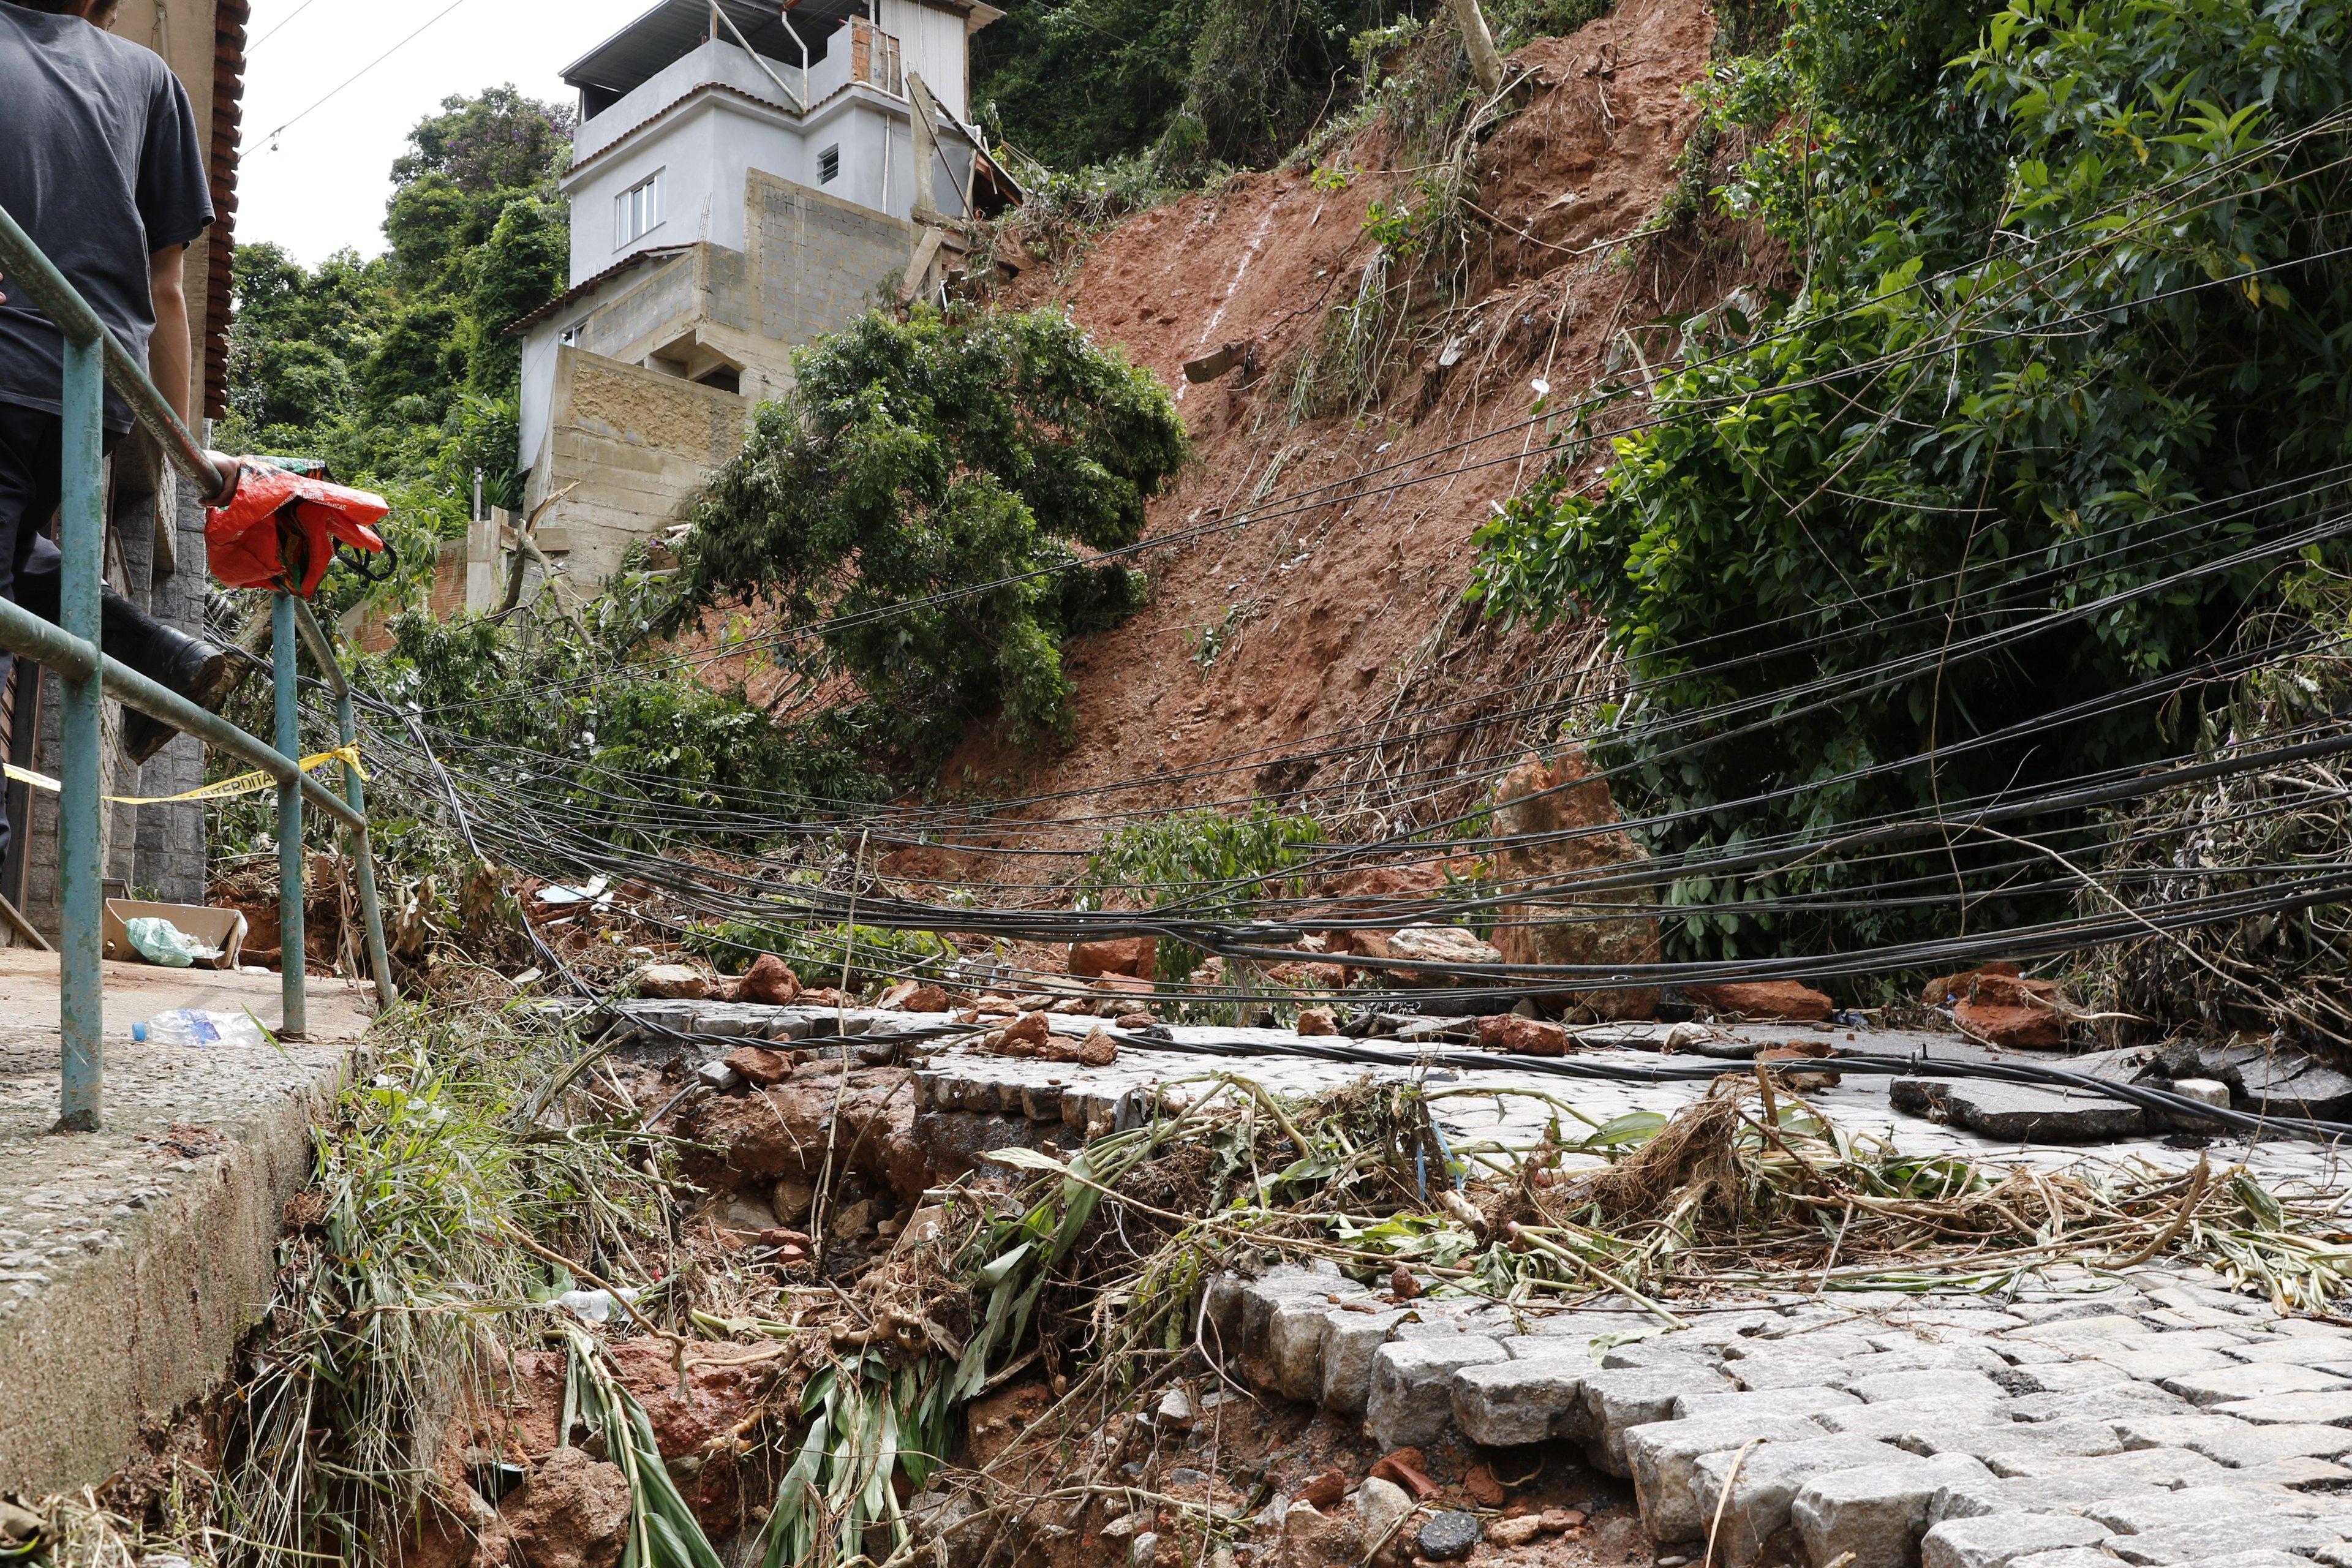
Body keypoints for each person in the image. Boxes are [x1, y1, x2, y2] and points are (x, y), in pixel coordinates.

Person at [0, 0, 243, 877]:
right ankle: (155, 649)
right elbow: (166, 287)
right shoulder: (152, 81)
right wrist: (187, 451)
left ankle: (150, 648)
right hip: (89, 390)